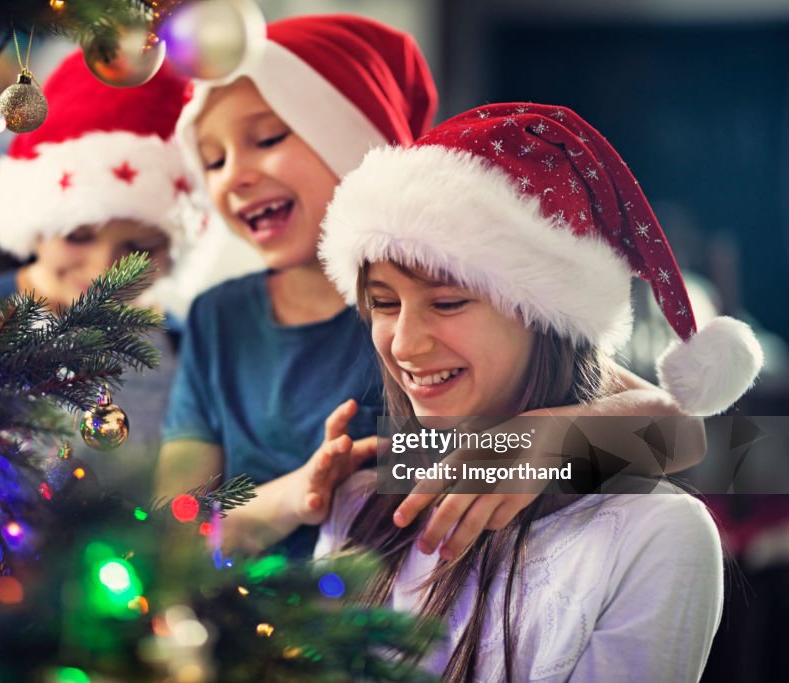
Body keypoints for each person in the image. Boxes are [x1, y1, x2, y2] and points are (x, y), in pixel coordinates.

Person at [156, 16, 703, 558]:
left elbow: (682, 432)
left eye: (268, 138)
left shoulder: (459, 317)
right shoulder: (217, 318)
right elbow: (171, 522)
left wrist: (547, 440)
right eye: (213, 160)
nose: (234, 175)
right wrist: (296, 497)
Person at [299, 103, 762, 680]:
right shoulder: (364, 504)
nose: (404, 345)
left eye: (448, 302)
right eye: (384, 304)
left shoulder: (655, 536)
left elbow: (682, 429)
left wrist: (554, 440)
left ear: (548, 319)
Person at [0, 49, 193, 455]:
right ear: (34, 227)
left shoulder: (183, 351)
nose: (103, 268)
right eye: (77, 236)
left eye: (138, 248)